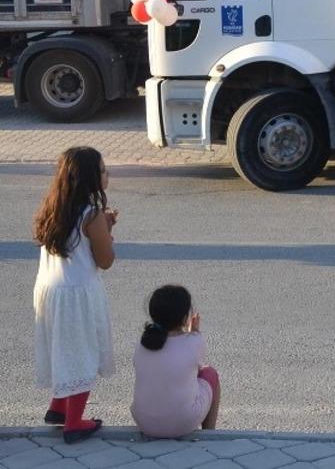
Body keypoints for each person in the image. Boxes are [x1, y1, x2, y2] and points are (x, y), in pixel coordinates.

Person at [32, 147, 116, 444]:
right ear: (90, 178)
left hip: (50, 291)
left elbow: (74, 246)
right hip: (77, 295)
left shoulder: (53, 208)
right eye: (103, 170)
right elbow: (105, 260)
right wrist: (106, 232)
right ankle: (74, 422)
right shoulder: (92, 215)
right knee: (82, 353)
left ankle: (58, 406)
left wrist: (104, 228)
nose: (107, 174)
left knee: (62, 348)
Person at [131, 285, 221, 438]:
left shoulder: (143, 343)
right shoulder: (193, 341)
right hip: (182, 423)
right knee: (210, 373)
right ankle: (209, 434)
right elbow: (197, 368)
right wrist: (194, 332)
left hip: (144, 422)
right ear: (185, 317)